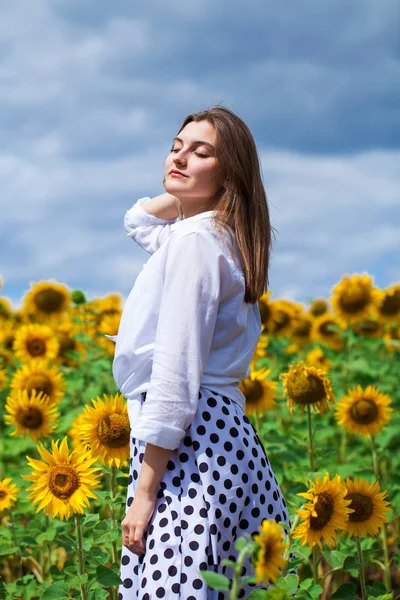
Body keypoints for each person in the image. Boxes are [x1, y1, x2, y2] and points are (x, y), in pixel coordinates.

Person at [109, 106, 295, 599]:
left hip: (187, 446)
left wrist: (146, 490)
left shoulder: (194, 242)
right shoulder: (219, 237)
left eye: (201, 151)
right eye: (176, 146)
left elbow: (175, 370)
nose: (180, 156)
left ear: (229, 170)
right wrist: (196, 191)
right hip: (225, 440)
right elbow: (137, 219)